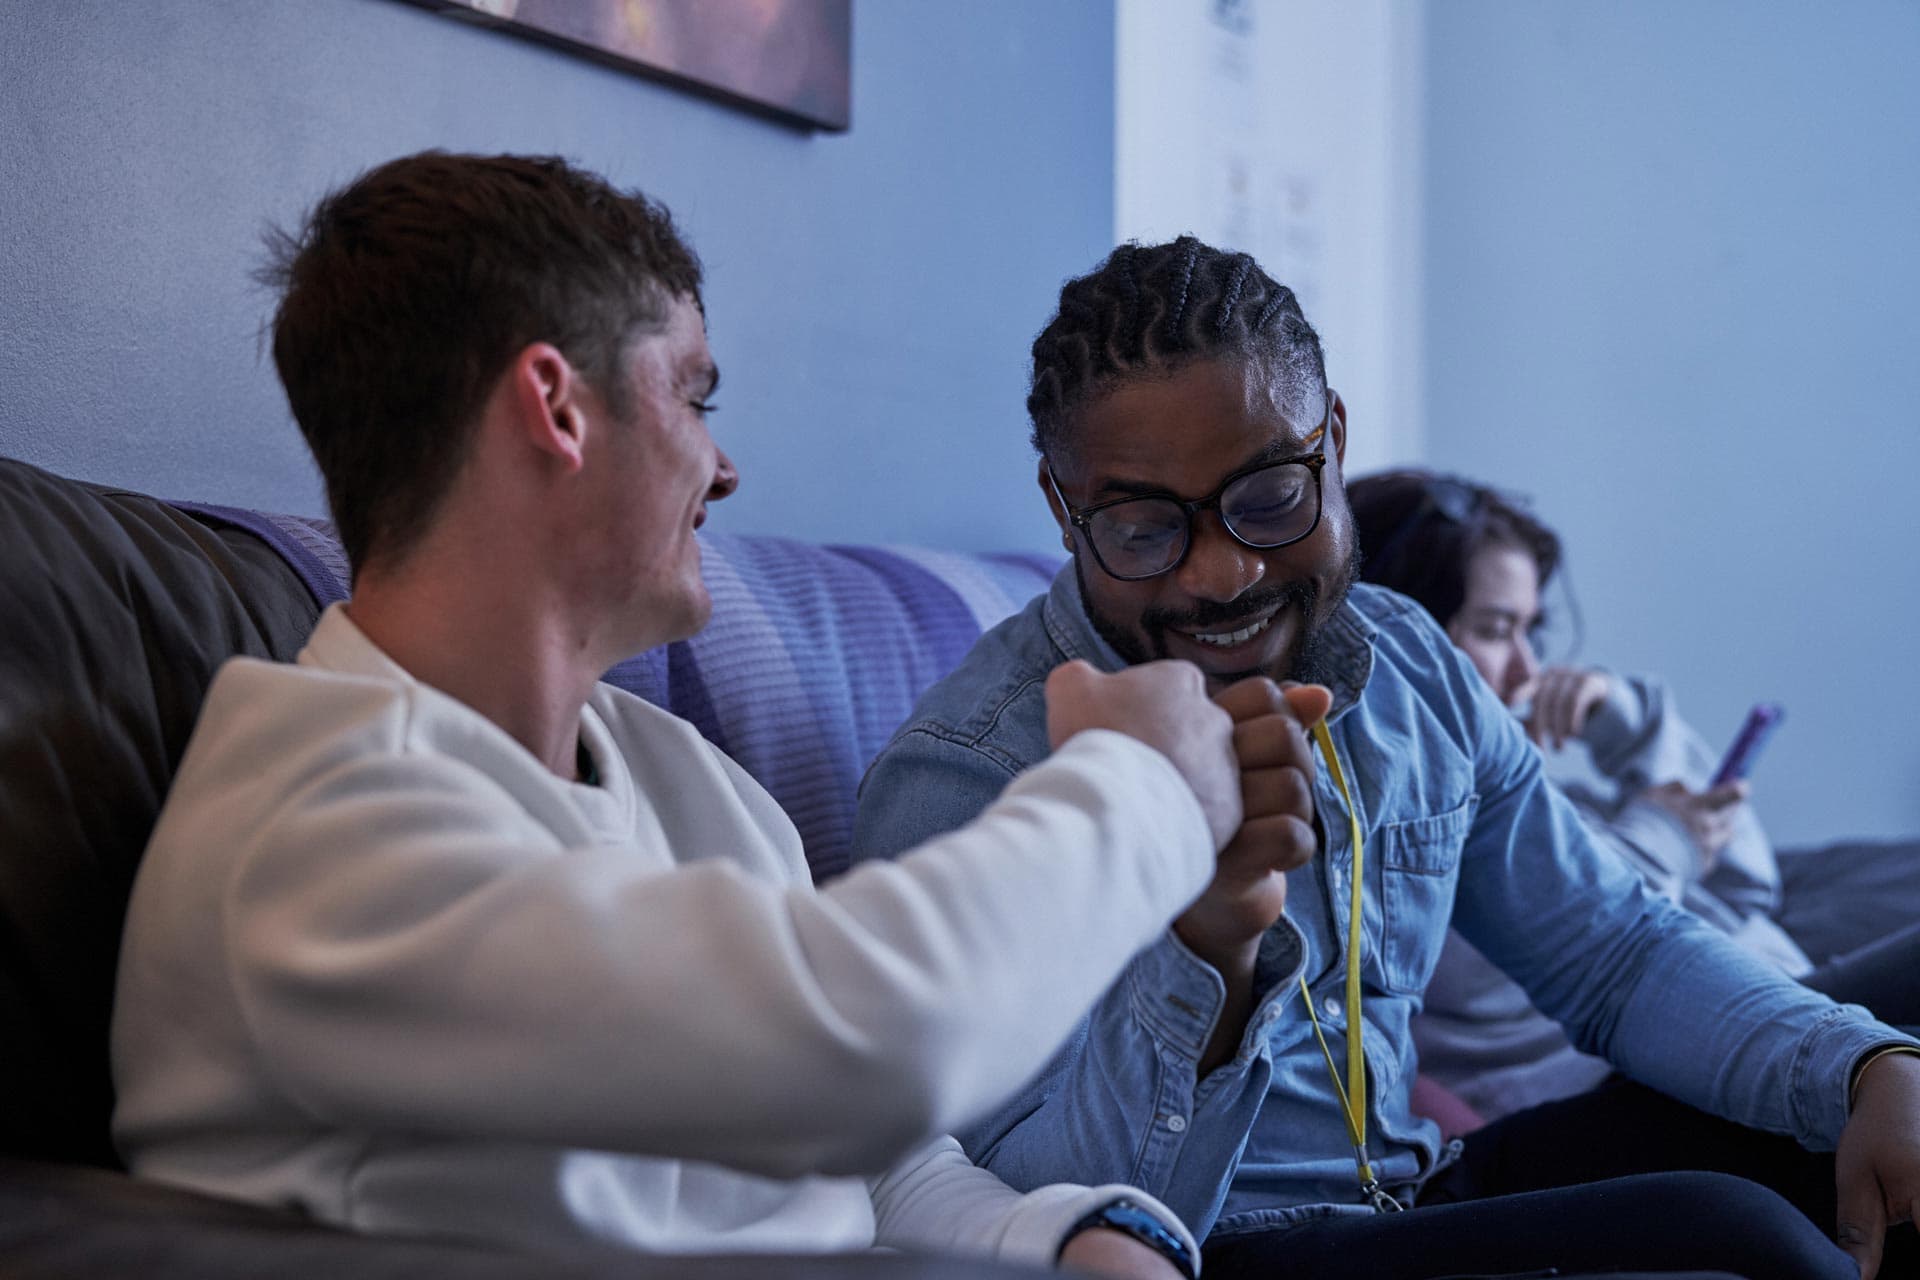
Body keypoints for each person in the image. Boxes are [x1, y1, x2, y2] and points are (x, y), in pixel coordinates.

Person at [104, 153, 1332, 1280]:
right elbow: (862, 1048)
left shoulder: (686, 777)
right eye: (696, 398)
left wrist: (1071, 1233)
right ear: (558, 407)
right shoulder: (316, 826)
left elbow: (875, 1161)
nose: (725, 467)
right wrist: (1143, 777)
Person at [850, 235, 1920, 1280]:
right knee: (1731, 1228)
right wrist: (1210, 949)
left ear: (1336, 442)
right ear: (1061, 506)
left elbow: (1614, 951)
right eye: (1143, 528)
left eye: (1271, 496)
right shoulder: (969, 779)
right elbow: (1048, 1217)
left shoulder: (1410, 661)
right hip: (1232, 1242)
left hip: (1416, 1193)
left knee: (1888, 1036)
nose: (1223, 574)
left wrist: (1861, 1067)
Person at [1346, 468, 1920, 1122]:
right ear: (1404, 637)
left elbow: (1745, 887)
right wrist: (1665, 835)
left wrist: (1624, 720)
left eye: (1529, 633)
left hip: (1768, 991)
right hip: (1659, 1067)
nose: (1527, 672)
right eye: (1495, 629)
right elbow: (1592, 942)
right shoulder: (1408, 846)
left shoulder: (1529, 793)